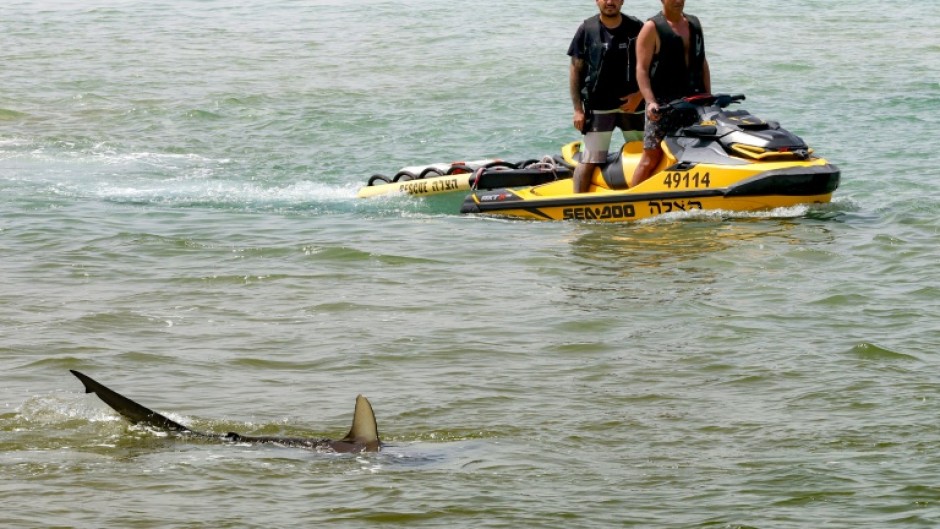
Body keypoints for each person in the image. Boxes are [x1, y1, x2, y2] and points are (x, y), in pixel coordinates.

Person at [630, 0, 711, 188]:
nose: (678, 1)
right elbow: (641, 69)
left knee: (695, 152)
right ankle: (631, 198)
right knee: (651, 157)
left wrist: (708, 95)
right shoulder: (651, 28)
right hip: (663, 105)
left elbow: (702, 62)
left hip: (694, 101)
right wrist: (650, 101)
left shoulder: (694, 23)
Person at [568, 0, 645, 193]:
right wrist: (578, 109)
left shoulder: (636, 27)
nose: (610, 2)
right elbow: (576, 70)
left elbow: (651, 65)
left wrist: (639, 95)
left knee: (647, 156)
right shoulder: (587, 29)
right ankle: (577, 207)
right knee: (590, 160)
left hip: (633, 106)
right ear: (597, 1)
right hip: (599, 107)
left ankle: (644, 198)